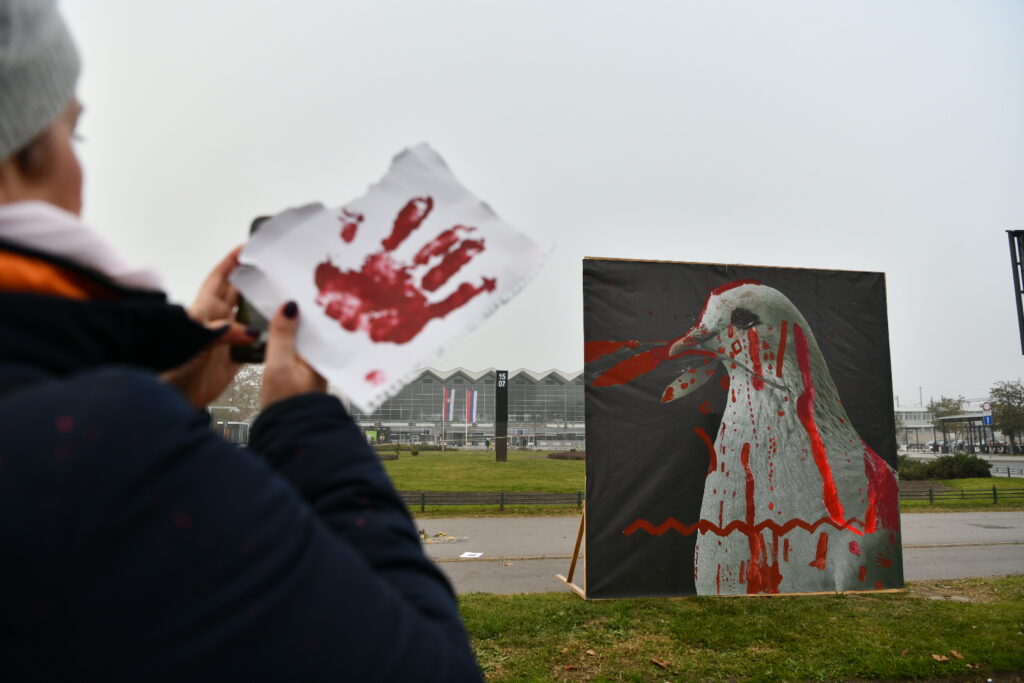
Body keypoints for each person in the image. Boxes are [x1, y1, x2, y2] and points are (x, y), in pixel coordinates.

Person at [0, 1, 481, 680]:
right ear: (30, 150)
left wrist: (159, 388)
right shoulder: (104, 450)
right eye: (72, 135)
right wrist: (301, 418)